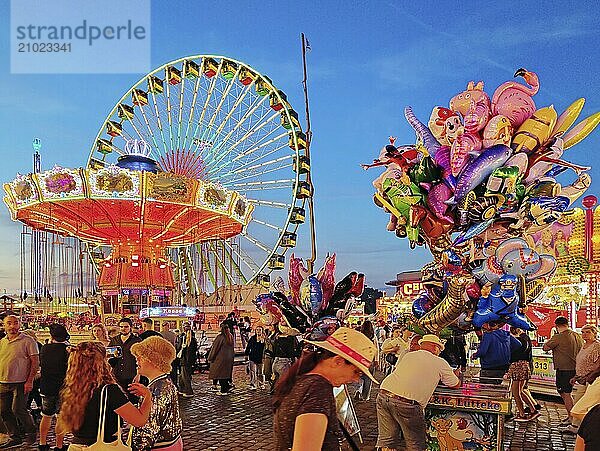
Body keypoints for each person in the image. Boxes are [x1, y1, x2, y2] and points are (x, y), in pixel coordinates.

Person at [273, 327, 377, 451]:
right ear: (338, 361)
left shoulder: (304, 380)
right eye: (356, 372)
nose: (355, 379)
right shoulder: (317, 389)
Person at [56, 341, 152, 449]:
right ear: (101, 363)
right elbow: (139, 421)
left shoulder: (71, 389)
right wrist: (148, 397)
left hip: (76, 446)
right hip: (104, 445)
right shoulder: (108, 390)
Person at [376, 334, 460, 451]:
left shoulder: (409, 356)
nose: (439, 352)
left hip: (384, 393)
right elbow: (455, 384)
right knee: (416, 443)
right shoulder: (440, 362)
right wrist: (455, 375)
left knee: (387, 440)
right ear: (435, 347)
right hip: (407, 403)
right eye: (439, 349)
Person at [130, 337, 183, 450]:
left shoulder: (157, 390)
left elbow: (147, 432)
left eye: (142, 357)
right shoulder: (163, 382)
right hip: (170, 443)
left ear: (155, 361)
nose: (137, 359)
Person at [0, 315, 39, 448]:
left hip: (21, 382)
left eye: (15, 323)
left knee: (18, 409)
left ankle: (31, 433)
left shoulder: (28, 341)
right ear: (4, 326)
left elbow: (35, 362)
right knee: (4, 411)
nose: (12, 326)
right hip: (3, 382)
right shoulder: (2, 342)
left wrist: (30, 381)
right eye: (9, 323)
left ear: (20, 324)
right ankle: (14, 436)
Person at [543, 316, 583, 422]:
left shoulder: (558, 337)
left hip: (564, 369)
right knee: (566, 392)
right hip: (575, 367)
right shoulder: (577, 336)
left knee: (565, 393)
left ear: (556, 326)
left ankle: (572, 417)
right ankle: (572, 414)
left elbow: (545, 347)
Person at [561, 324, 600, 434]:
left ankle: (581, 426)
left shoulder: (596, 346)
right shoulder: (584, 346)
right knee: (579, 401)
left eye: (588, 332)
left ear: (594, 333)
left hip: (592, 379)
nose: (585, 334)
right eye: (583, 332)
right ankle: (576, 425)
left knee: (587, 404)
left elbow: (597, 364)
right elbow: (581, 363)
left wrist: (589, 376)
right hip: (582, 378)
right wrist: (576, 376)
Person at [38, 324, 70, 451]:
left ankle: (42, 443)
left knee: (46, 415)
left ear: (51, 336)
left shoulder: (45, 348)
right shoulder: (68, 350)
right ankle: (59, 445)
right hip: (63, 388)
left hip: (47, 387)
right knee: (60, 417)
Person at [506, 327, 539, 422]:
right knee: (520, 390)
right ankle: (532, 409)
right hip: (525, 365)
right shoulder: (526, 338)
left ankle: (522, 413)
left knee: (516, 392)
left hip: (517, 365)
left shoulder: (516, 340)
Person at [108, 317, 142, 401]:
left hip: (131, 374)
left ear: (130, 327)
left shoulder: (137, 340)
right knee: (119, 399)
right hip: (117, 374)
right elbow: (109, 357)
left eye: (126, 327)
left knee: (133, 398)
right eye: (121, 327)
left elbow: (141, 358)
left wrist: (138, 374)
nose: (123, 329)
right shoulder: (114, 340)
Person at [271, 327, 302, 392]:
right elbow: (291, 353)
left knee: (277, 377)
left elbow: (274, 350)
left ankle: (274, 389)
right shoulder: (289, 339)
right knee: (283, 380)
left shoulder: (277, 337)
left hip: (276, 360)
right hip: (284, 361)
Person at [22, 329, 43, 422]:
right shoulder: (37, 345)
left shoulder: (37, 345)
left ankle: (29, 407)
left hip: (35, 372)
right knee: (33, 391)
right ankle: (36, 407)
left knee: (32, 390)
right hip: (30, 372)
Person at [208, 323, 235, 395]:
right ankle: (225, 388)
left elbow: (215, 349)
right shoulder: (230, 336)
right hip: (228, 359)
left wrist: (210, 357)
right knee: (225, 374)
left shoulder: (220, 337)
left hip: (220, 359)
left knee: (220, 374)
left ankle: (223, 390)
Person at [355, 320, 378, 402]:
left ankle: (358, 390)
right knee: (368, 378)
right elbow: (376, 349)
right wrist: (376, 360)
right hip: (370, 359)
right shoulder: (373, 337)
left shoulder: (359, 336)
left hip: (360, 359)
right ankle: (365, 396)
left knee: (359, 376)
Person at [175, 323, 197, 398]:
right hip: (188, 360)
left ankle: (188, 391)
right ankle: (182, 389)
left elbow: (178, 347)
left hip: (184, 360)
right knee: (182, 376)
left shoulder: (183, 338)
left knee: (185, 376)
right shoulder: (192, 338)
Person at [245, 325, 266, 389]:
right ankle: (253, 384)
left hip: (261, 357)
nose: (258, 331)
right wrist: (246, 354)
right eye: (257, 330)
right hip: (252, 356)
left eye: (260, 330)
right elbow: (248, 347)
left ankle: (261, 384)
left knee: (260, 372)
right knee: (252, 372)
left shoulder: (265, 339)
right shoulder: (253, 338)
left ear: (262, 331)